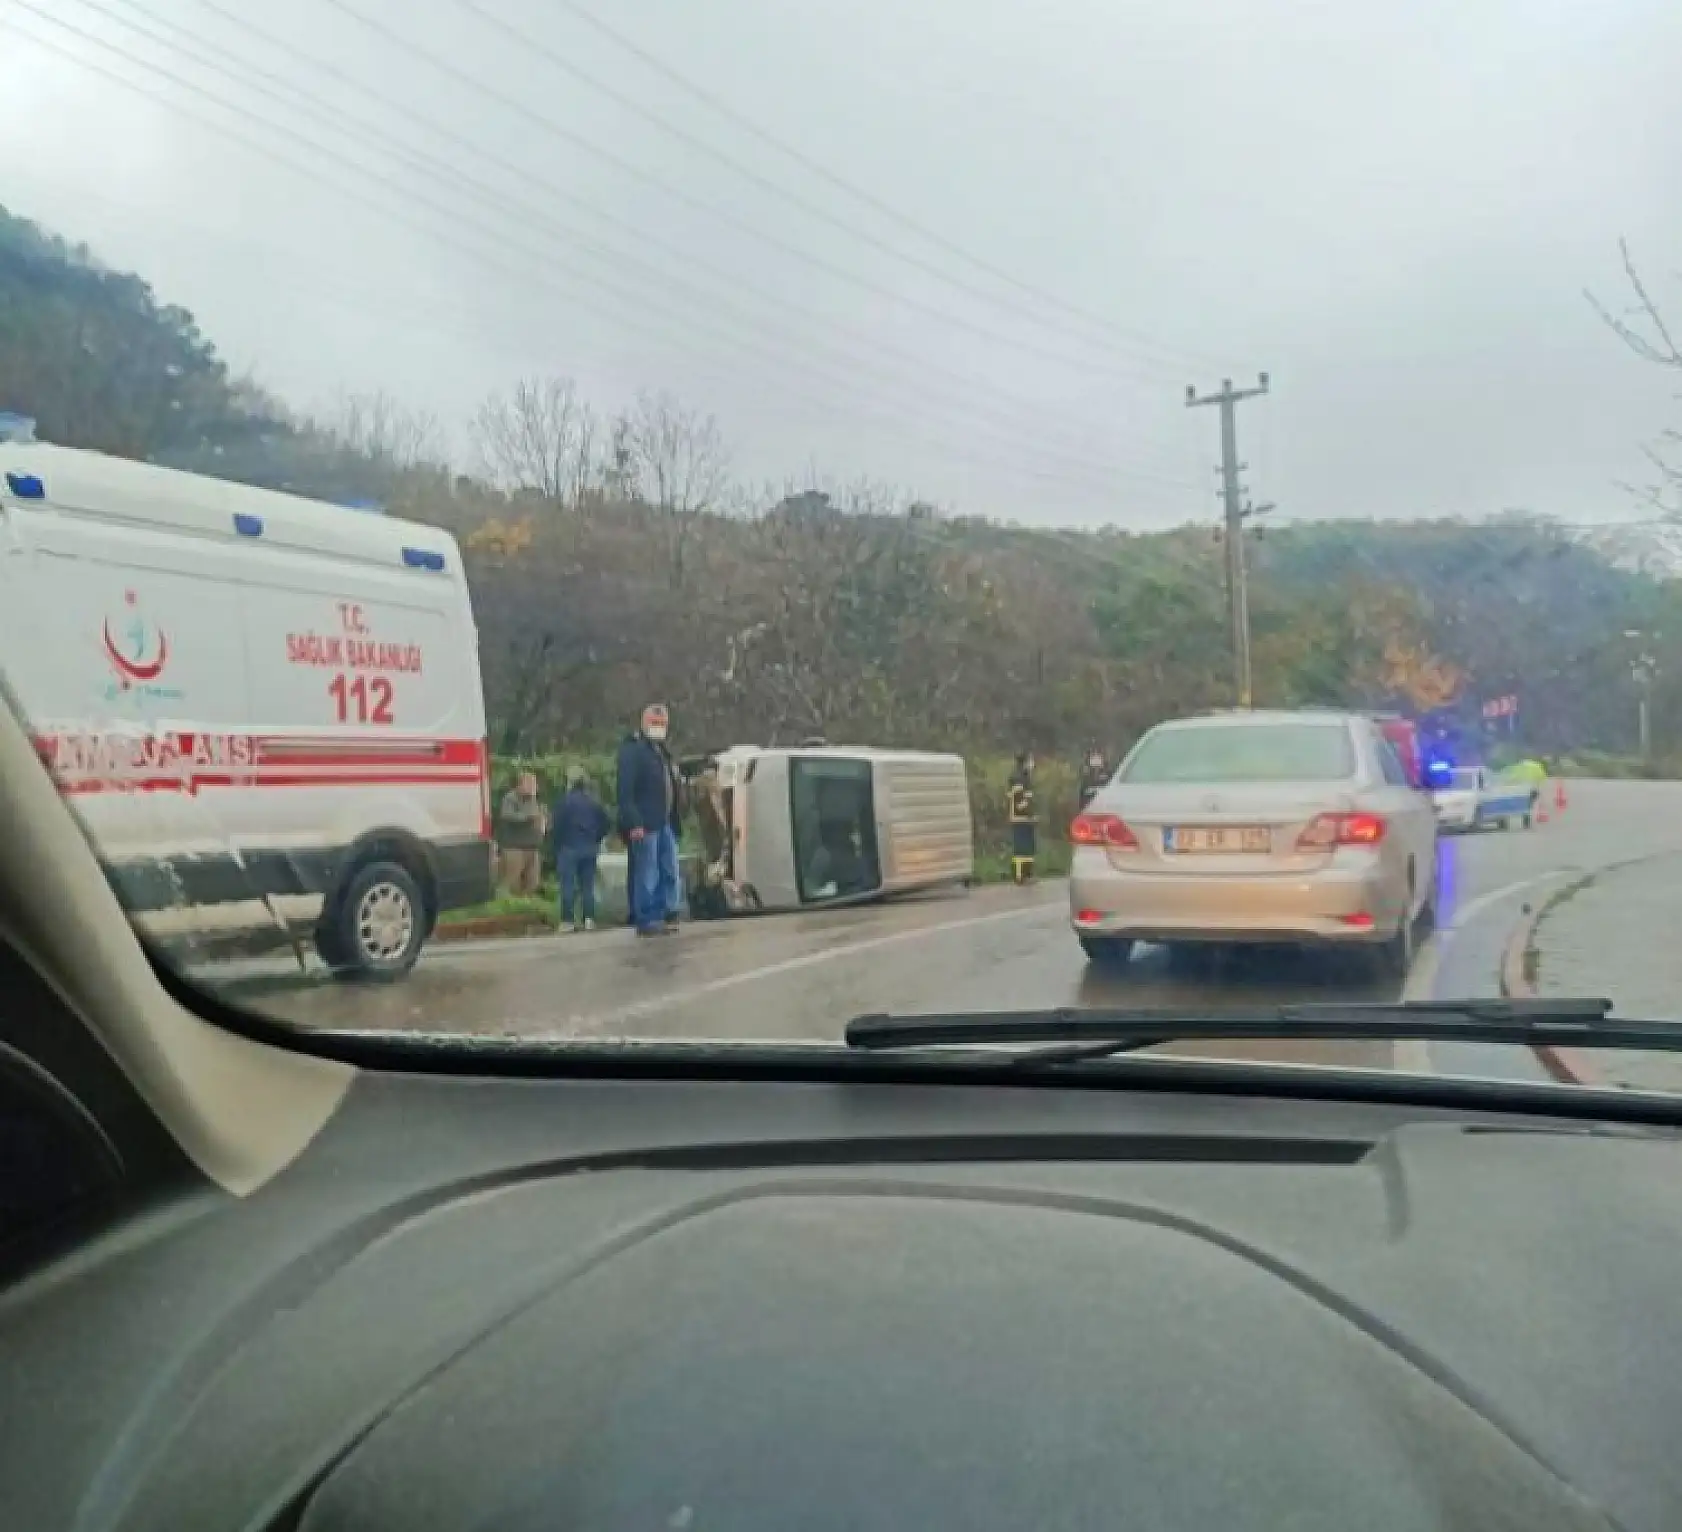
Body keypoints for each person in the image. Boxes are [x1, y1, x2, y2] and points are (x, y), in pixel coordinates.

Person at [616, 703, 685, 937]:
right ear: (644, 722)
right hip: (645, 822)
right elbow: (625, 790)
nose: (659, 727)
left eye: (662, 723)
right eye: (654, 723)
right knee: (647, 872)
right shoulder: (633, 750)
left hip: (666, 821)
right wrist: (633, 822)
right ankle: (647, 917)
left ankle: (669, 912)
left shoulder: (663, 752)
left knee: (670, 869)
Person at [552, 770, 611, 932]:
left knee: (568, 885)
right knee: (588, 886)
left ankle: (568, 920)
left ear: (570, 784)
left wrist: (557, 845)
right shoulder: (594, 802)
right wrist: (596, 838)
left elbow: (556, 826)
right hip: (590, 848)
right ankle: (589, 919)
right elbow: (606, 823)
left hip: (569, 847)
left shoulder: (563, 802)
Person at [497, 770, 547, 896]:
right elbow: (507, 815)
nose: (533, 787)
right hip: (514, 847)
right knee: (512, 883)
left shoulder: (534, 799)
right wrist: (528, 817)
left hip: (532, 846)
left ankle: (528, 905)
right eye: (530, 783)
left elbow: (539, 816)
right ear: (520, 785)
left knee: (532, 882)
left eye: (534, 784)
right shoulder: (510, 798)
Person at [1006, 751, 1036, 886]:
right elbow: (1020, 802)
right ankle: (1019, 876)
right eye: (1030, 761)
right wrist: (1029, 815)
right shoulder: (1018, 779)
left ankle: (1027, 874)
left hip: (1025, 818)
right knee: (1021, 849)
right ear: (1025, 763)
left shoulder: (1025, 777)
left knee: (1028, 848)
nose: (1032, 764)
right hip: (1020, 819)